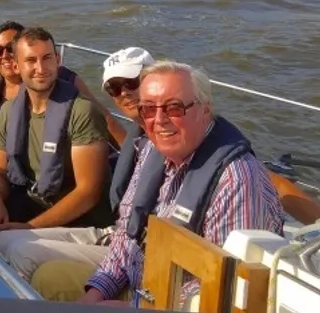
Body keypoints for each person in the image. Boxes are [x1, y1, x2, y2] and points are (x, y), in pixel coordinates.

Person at [72, 61, 285, 306]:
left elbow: (225, 291)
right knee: (48, 277)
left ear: (205, 109)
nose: (159, 120)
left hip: (171, 303)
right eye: (148, 109)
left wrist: (135, 307)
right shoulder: (153, 150)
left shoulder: (237, 181)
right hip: (138, 283)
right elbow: (126, 238)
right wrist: (95, 293)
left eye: (174, 107)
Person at [0, 47, 154, 279]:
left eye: (131, 83)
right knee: (0, 240)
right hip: (116, 234)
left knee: (22, 252)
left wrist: (30, 227)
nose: (124, 93)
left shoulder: (169, 141)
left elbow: (89, 192)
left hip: (136, 248)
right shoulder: (138, 140)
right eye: (114, 88)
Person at [0, 28, 112, 236]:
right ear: (16, 66)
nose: (41, 68)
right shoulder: (9, 111)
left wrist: (28, 229)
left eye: (47, 58)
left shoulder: (82, 111)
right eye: (31, 60)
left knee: (7, 242)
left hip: (80, 223)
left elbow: (88, 192)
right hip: (31, 207)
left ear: (57, 60)